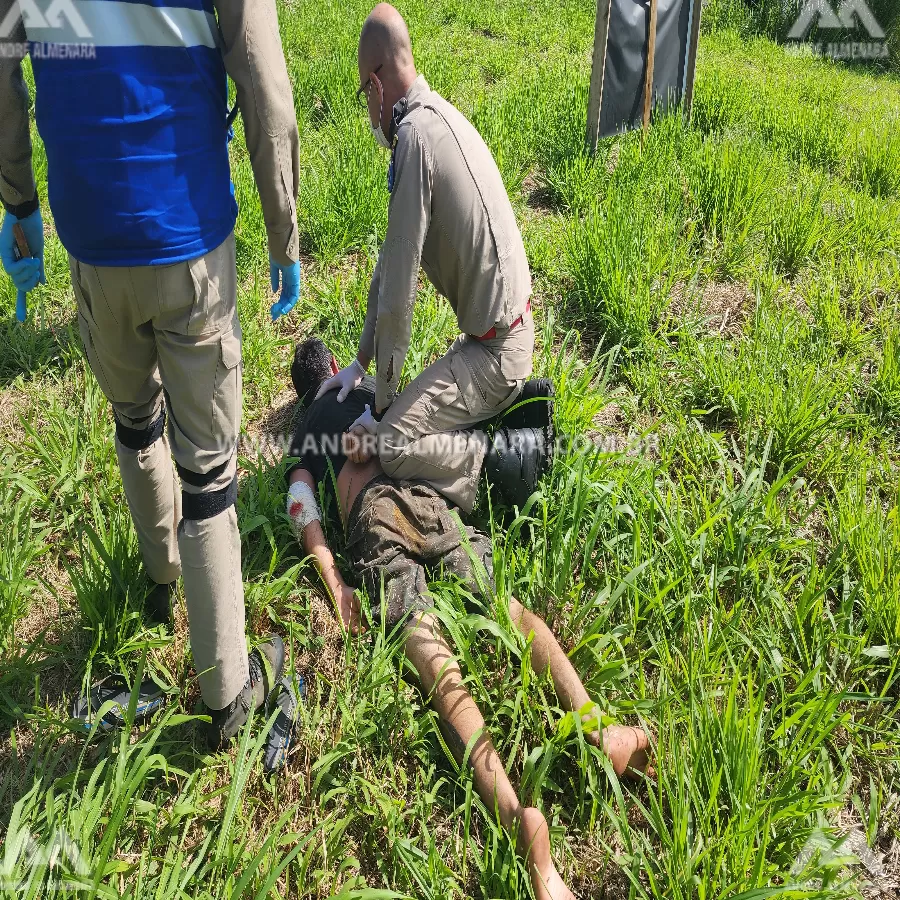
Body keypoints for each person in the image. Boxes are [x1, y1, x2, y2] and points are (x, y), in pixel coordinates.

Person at [0, 0, 303, 745]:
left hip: (91, 235)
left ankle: (161, 576)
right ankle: (228, 692)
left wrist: (18, 200)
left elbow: (5, 71)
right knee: (209, 467)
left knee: (135, 416)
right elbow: (265, 88)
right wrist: (283, 232)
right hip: (189, 233)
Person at [286, 338, 652, 900]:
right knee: (505, 607)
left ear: (300, 391)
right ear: (334, 368)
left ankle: (513, 816)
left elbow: (301, 503)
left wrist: (335, 583)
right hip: (430, 496)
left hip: (375, 515)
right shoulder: (364, 387)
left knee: (432, 655)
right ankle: (595, 722)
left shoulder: (309, 423)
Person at [315, 3, 551, 514]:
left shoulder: (413, 142)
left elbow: (398, 298)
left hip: (494, 355)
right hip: (501, 335)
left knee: (395, 447)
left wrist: (379, 412)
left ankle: (505, 461)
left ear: (376, 85)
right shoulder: (435, 117)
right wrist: (359, 362)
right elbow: (391, 261)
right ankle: (499, 412)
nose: (368, 111)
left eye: (364, 94)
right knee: (401, 424)